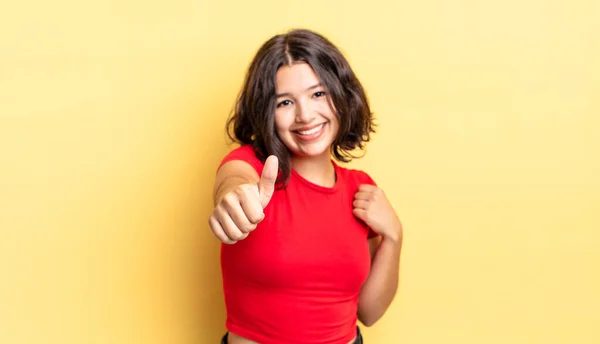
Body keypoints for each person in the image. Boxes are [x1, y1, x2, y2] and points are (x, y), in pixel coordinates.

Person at [208, 28, 403, 344]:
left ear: (342, 95)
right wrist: (234, 199)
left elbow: (369, 312)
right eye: (284, 102)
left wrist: (394, 236)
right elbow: (234, 184)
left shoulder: (362, 189)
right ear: (266, 112)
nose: (305, 115)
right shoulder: (252, 168)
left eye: (318, 94)